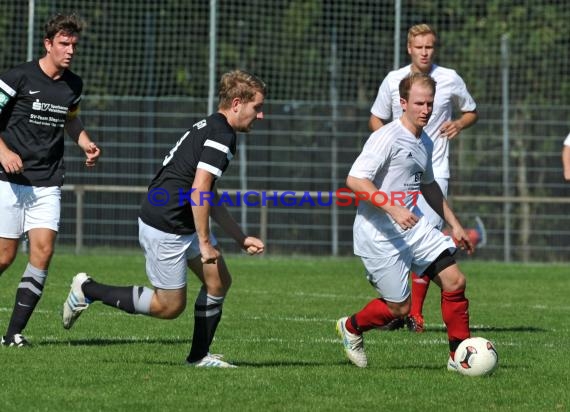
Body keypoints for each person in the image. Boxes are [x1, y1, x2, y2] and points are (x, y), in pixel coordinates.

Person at [62, 69, 266, 368]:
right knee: (169, 307)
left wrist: (239, 236)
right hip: (166, 225)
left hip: (180, 220)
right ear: (237, 103)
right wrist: (206, 243)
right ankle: (88, 289)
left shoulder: (214, 125)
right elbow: (199, 189)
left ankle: (199, 357)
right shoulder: (222, 134)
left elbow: (208, 193)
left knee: (218, 281)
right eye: (256, 107)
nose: (259, 115)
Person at [336, 72, 474, 370]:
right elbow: (355, 180)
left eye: (430, 104)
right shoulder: (385, 137)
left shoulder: (425, 140)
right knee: (399, 309)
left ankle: (459, 357)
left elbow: (429, 186)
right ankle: (351, 327)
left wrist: (455, 224)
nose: (426, 110)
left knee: (455, 281)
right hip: (379, 233)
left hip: (414, 228)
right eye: (419, 103)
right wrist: (394, 209)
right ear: (402, 103)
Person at [368, 23, 482, 333]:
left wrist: (459, 123)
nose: (424, 51)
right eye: (419, 46)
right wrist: (391, 146)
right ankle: (393, 297)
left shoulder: (450, 78)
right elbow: (376, 117)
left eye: (429, 46)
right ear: (409, 48)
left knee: (427, 234)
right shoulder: (394, 80)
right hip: (398, 177)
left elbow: (471, 110)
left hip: (434, 171)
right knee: (401, 237)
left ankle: (413, 314)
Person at [0, 13, 100, 347]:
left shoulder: (74, 85)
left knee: (42, 254)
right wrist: (2, 151)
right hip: (9, 179)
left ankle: (13, 334)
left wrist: (84, 142)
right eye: (63, 43)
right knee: (4, 256)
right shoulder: (19, 77)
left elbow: (70, 118)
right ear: (48, 44)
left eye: (74, 44)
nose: (70, 50)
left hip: (47, 182)